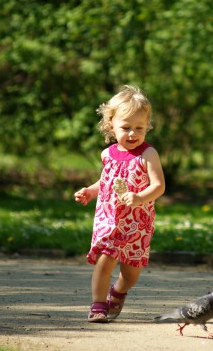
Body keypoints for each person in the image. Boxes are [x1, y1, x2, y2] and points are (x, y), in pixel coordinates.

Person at [74, 85, 165, 323]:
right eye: (126, 128)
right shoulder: (108, 154)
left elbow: (159, 186)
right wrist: (90, 191)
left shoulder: (148, 154)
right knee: (105, 259)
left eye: (139, 128)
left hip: (137, 223)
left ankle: (118, 292)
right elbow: (106, 181)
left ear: (147, 127)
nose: (133, 134)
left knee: (131, 272)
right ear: (110, 125)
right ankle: (98, 305)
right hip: (109, 218)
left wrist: (139, 198)